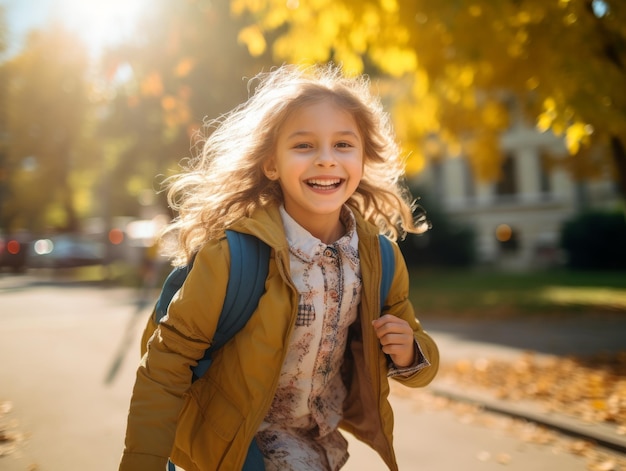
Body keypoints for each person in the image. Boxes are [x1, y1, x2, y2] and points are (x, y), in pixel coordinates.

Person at [119, 63, 439, 471]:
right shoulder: (234, 256)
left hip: (319, 449)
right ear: (271, 164)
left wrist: (412, 352)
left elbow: (423, 360)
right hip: (238, 452)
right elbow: (165, 366)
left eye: (343, 145)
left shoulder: (380, 259)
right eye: (304, 146)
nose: (326, 160)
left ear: (363, 156)